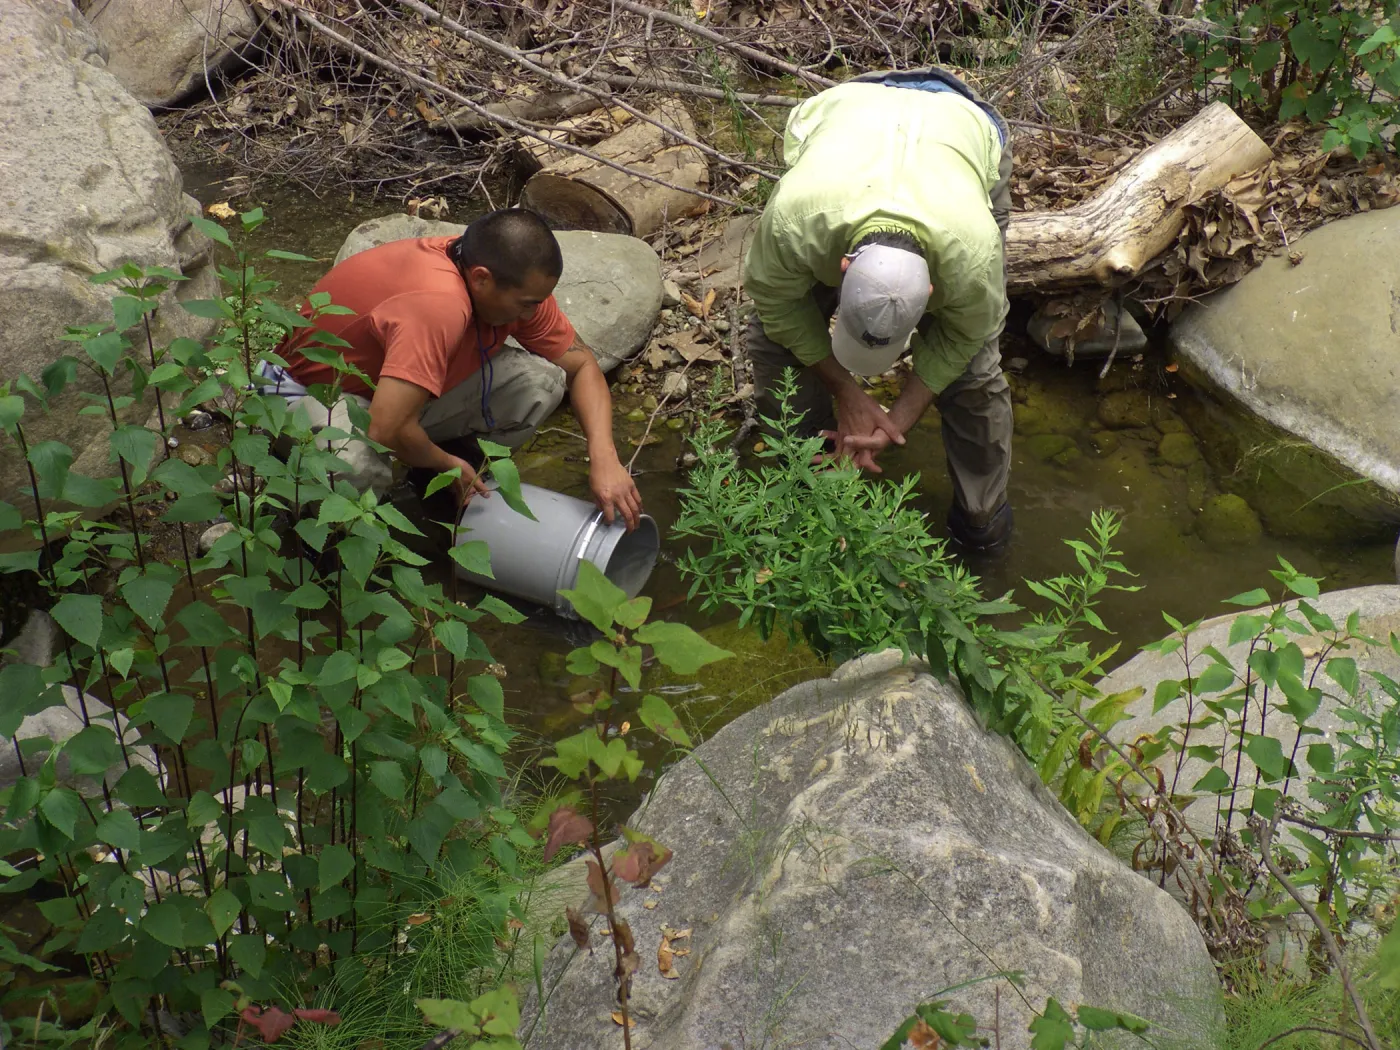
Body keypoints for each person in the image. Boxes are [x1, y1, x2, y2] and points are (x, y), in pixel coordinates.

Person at [743, 67, 1015, 552]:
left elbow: (963, 335)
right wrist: (847, 393)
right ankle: (809, 481)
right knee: (771, 341)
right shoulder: (795, 220)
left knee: (974, 374)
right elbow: (779, 306)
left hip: (963, 124)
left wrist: (896, 422)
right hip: (853, 107)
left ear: (932, 291)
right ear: (841, 268)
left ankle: (981, 524)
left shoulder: (974, 257)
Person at [263, 208, 642, 529]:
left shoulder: (509, 284)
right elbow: (385, 427)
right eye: (526, 303)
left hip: (390, 393)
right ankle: (325, 539)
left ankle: (435, 485)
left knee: (539, 383)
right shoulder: (438, 304)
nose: (534, 312)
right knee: (355, 465)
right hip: (305, 392)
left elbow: (582, 367)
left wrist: (605, 458)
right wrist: (446, 463)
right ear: (480, 278)